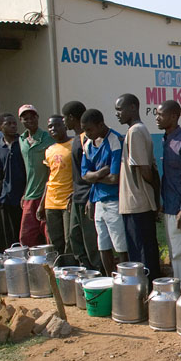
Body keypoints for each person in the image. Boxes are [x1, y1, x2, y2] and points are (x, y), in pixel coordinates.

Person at [115, 93, 160, 281]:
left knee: (142, 253)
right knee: (144, 249)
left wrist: (155, 194)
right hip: (135, 202)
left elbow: (144, 169)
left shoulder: (135, 132)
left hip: (137, 202)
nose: (117, 114)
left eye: (120, 109)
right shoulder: (137, 130)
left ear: (133, 107)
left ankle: (146, 290)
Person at [80, 109, 127, 276]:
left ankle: (123, 278)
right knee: (103, 243)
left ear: (100, 125)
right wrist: (100, 173)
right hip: (98, 199)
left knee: (120, 244)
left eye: (89, 129)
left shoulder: (114, 140)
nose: (86, 133)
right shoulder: (88, 144)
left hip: (113, 200)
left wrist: (94, 176)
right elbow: (84, 175)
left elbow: (114, 178)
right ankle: (109, 279)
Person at [156, 100, 181, 283]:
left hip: (180, 208)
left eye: (160, 115)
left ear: (174, 116)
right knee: (174, 252)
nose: (157, 118)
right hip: (169, 206)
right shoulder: (166, 139)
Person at [62, 101, 101, 270]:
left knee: (90, 239)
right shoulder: (76, 139)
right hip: (77, 195)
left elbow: (94, 171)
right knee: (73, 236)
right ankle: (85, 269)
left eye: (65, 118)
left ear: (71, 118)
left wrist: (91, 197)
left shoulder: (89, 139)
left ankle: (99, 273)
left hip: (88, 197)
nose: (64, 122)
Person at [18, 104, 53, 246]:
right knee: (26, 237)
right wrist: (25, 192)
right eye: (25, 118)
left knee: (48, 235)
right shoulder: (21, 140)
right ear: (21, 121)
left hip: (46, 194)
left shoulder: (48, 138)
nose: (30, 120)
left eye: (32, 117)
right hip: (29, 195)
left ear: (37, 117)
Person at [37, 115, 73, 255]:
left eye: (56, 125)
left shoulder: (75, 144)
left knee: (69, 240)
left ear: (64, 125)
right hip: (51, 202)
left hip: (67, 201)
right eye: (50, 127)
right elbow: (50, 178)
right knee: (54, 240)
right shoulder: (49, 150)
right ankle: (57, 272)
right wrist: (42, 204)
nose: (53, 129)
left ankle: (70, 269)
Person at [0, 113, 26, 250]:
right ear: (0, 127)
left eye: (14, 123)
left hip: (23, 197)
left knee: (24, 235)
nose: (13, 126)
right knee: (9, 237)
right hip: (6, 198)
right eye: (8, 124)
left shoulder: (23, 143)